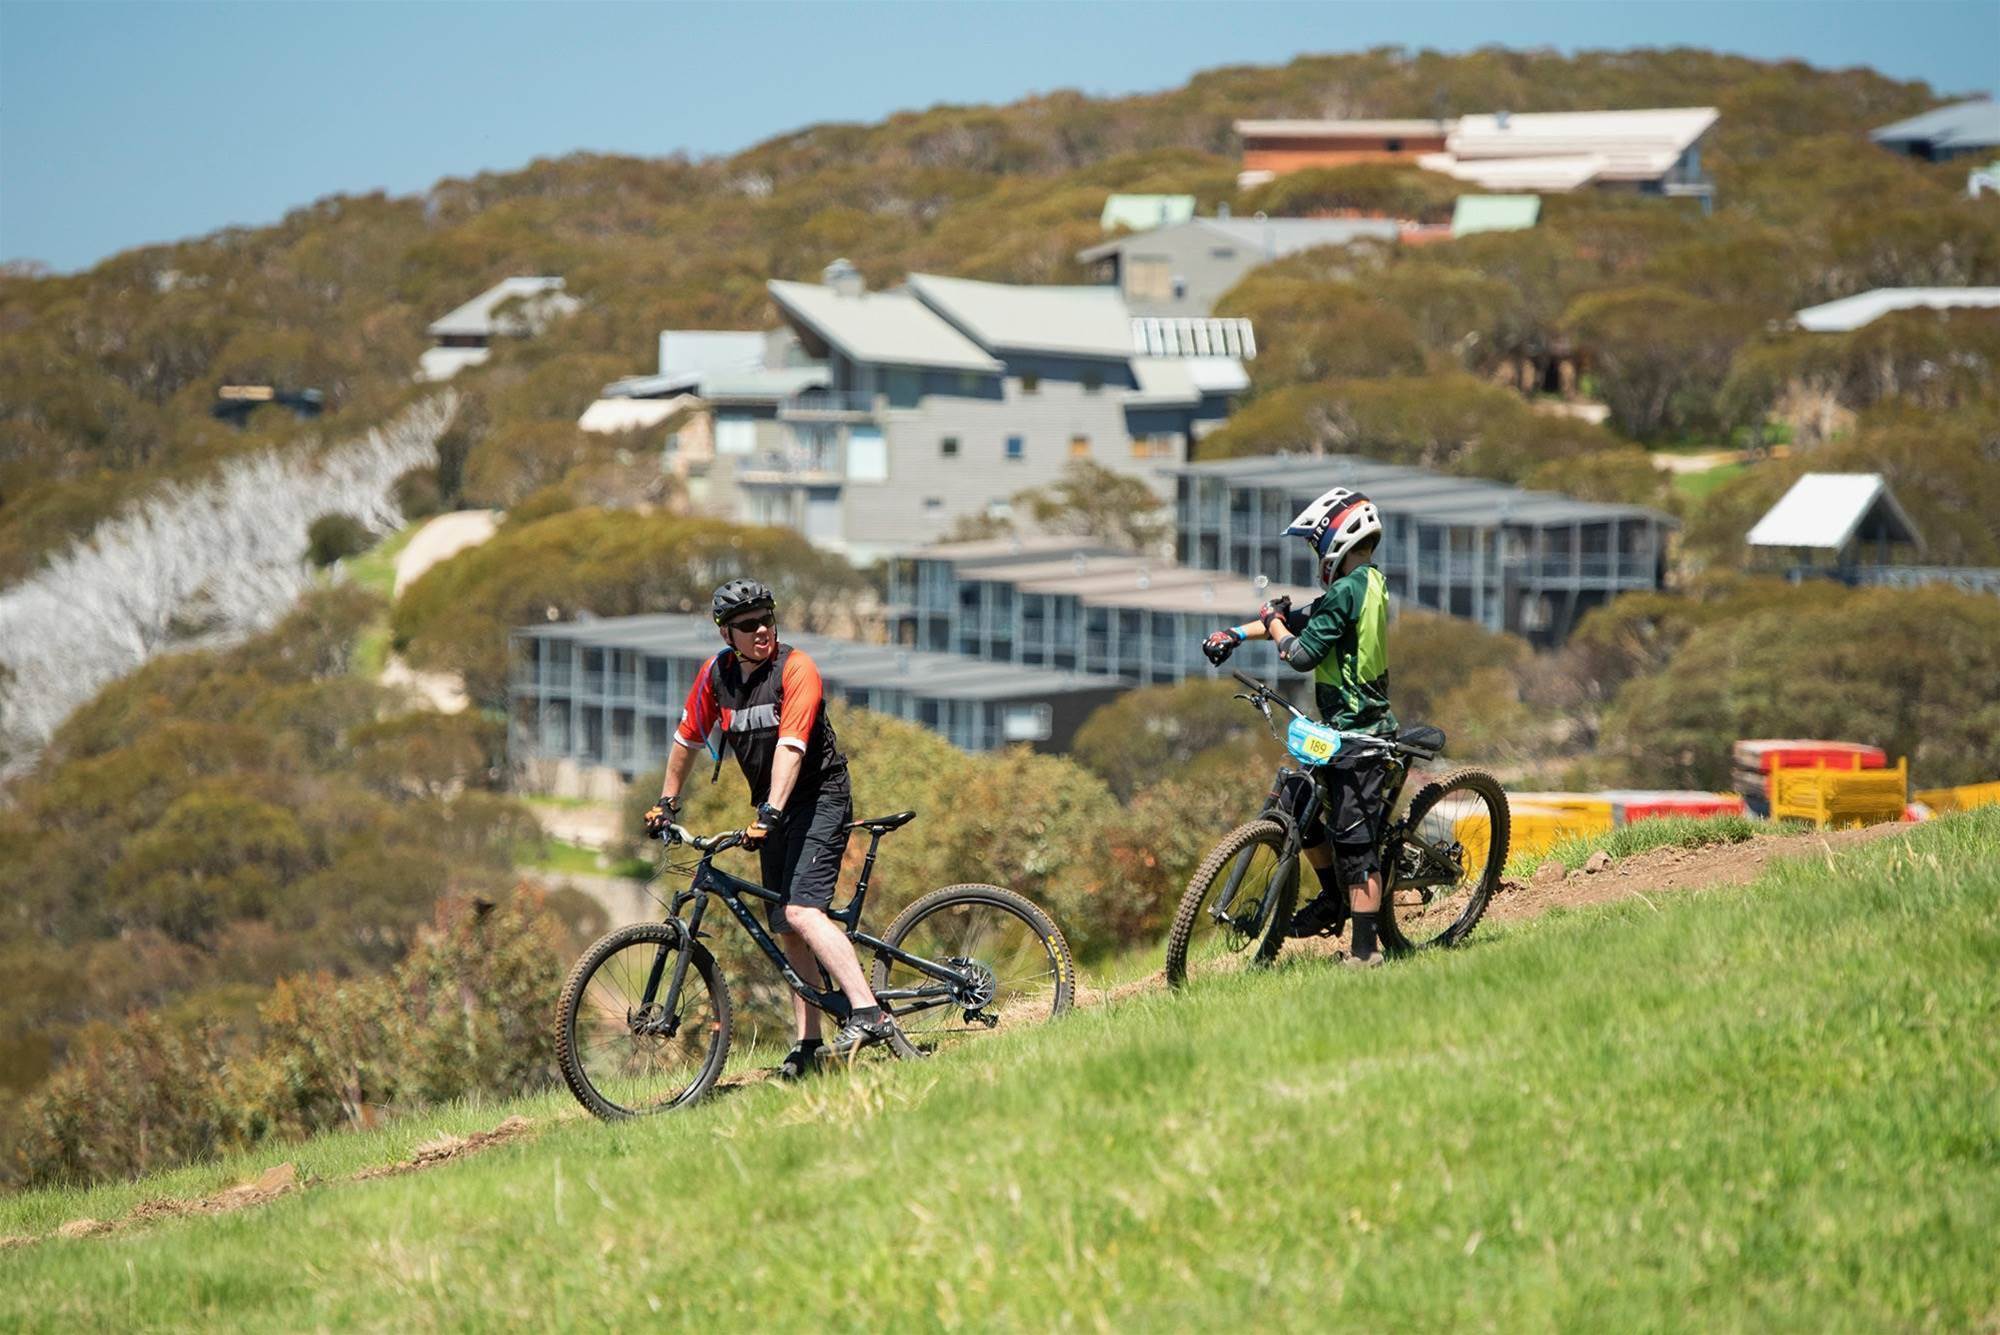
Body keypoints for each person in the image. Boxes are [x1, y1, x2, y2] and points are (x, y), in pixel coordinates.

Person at [642, 578, 901, 1071]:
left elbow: (792, 746)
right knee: (787, 928)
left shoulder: (796, 668)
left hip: (819, 798)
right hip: (773, 806)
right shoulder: (715, 675)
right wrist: (667, 802)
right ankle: (809, 1046)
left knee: (804, 912)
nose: (761, 629)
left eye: (766, 618)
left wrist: (772, 813)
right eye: (747, 624)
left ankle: (869, 1012)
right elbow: (687, 738)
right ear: (726, 634)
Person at [1200, 487, 1399, 968]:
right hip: (1341, 730)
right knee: (1296, 803)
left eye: (1316, 546)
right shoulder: (1364, 584)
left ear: (1334, 543)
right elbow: (1299, 618)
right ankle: (1332, 897)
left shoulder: (1348, 592)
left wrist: (1272, 626)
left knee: (1355, 842)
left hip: (1361, 737)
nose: (1315, 557)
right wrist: (1236, 634)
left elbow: (1301, 652)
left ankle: (1365, 955)